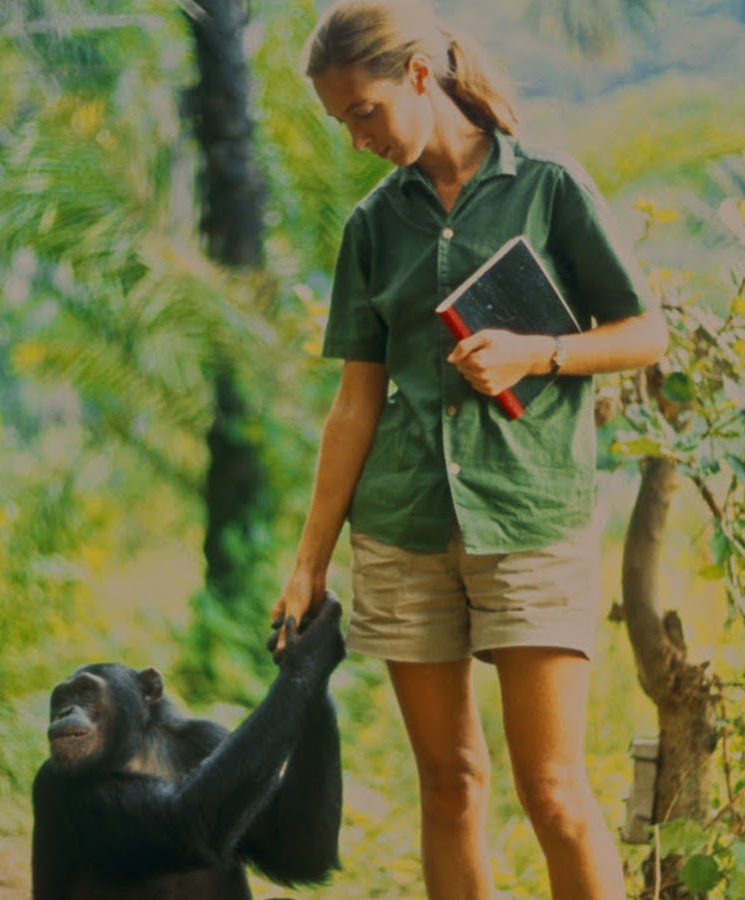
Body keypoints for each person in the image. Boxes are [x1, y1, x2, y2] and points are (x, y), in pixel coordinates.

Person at [272, 2, 668, 898]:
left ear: (419, 75)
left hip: (529, 515)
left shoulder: (551, 186)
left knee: (553, 791)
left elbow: (646, 333)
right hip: (404, 523)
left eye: (364, 112)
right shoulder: (373, 229)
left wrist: (542, 354)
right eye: (341, 123)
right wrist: (310, 563)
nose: (357, 138)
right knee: (449, 784)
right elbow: (354, 406)